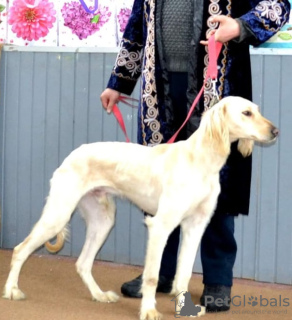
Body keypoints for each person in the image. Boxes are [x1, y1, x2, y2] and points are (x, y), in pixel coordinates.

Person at [100, 0, 290, 312]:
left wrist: (240, 26)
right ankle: (162, 273)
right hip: (158, 90)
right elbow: (137, 28)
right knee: (161, 182)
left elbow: (277, 5)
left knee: (216, 187)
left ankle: (217, 279)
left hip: (218, 88)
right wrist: (119, 82)